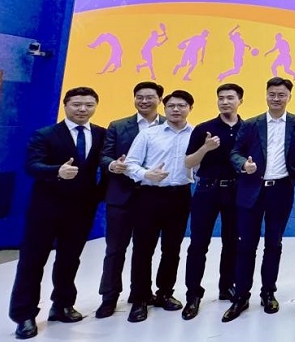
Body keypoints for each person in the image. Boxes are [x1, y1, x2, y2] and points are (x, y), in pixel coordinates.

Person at [9, 87, 106, 340]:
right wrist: (57, 171)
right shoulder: (46, 134)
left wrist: (97, 196)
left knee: (69, 260)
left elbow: (104, 168)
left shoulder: (101, 134)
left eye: (88, 105)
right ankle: (24, 315)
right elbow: (32, 165)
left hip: (81, 210)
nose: (82, 109)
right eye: (77, 104)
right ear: (65, 105)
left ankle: (62, 305)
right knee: (32, 262)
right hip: (46, 210)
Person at [223, 77, 295, 321]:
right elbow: (235, 152)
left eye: (281, 94)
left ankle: (268, 293)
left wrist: (293, 176)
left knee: (274, 243)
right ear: (266, 95)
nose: (276, 98)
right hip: (251, 190)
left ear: (289, 97)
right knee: (246, 245)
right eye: (272, 94)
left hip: (280, 191)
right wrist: (244, 165)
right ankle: (241, 296)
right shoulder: (252, 124)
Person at [123, 89, 196, 322]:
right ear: (164, 108)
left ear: (190, 108)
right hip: (149, 196)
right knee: (143, 249)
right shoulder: (148, 134)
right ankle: (140, 298)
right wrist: (146, 174)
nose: (176, 109)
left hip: (180, 196)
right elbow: (130, 164)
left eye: (181, 105)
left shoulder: (195, 135)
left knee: (172, 248)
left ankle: (165, 292)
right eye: (171, 105)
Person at [96, 81, 164, 319]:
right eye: (139, 97)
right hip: (121, 196)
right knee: (115, 249)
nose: (144, 101)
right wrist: (112, 165)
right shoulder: (117, 126)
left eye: (149, 97)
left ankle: (140, 296)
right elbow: (104, 156)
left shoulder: (169, 126)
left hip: (152, 198)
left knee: (144, 250)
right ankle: (109, 297)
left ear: (159, 99)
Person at [180, 83, 244, 319]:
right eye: (221, 98)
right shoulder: (204, 128)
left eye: (230, 98)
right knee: (198, 243)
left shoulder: (247, 128)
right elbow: (188, 162)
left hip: (236, 191)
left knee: (232, 242)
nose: (225, 102)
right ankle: (193, 295)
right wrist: (205, 148)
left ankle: (227, 286)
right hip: (207, 190)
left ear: (240, 101)